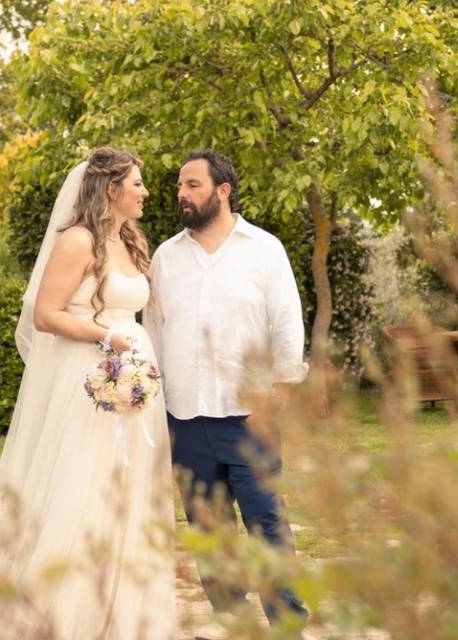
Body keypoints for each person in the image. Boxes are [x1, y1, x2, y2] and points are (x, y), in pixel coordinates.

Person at [0, 147, 176, 639]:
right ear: (111, 189)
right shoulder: (77, 241)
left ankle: (123, 615)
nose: (145, 192)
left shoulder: (130, 241)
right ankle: (63, 617)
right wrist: (105, 336)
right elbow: (46, 315)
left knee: (130, 494)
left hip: (133, 381)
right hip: (89, 378)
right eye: (137, 184)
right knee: (82, 486)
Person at [143, 149, 309, 635]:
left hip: (249, 417)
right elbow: (152, 330)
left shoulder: (264, 249)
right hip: (186, 419)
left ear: (223, 190)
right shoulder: (166, 257)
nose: (181, 194)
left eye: (192, 185)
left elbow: (286, 322)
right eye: (178, 186)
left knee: (268, 528)